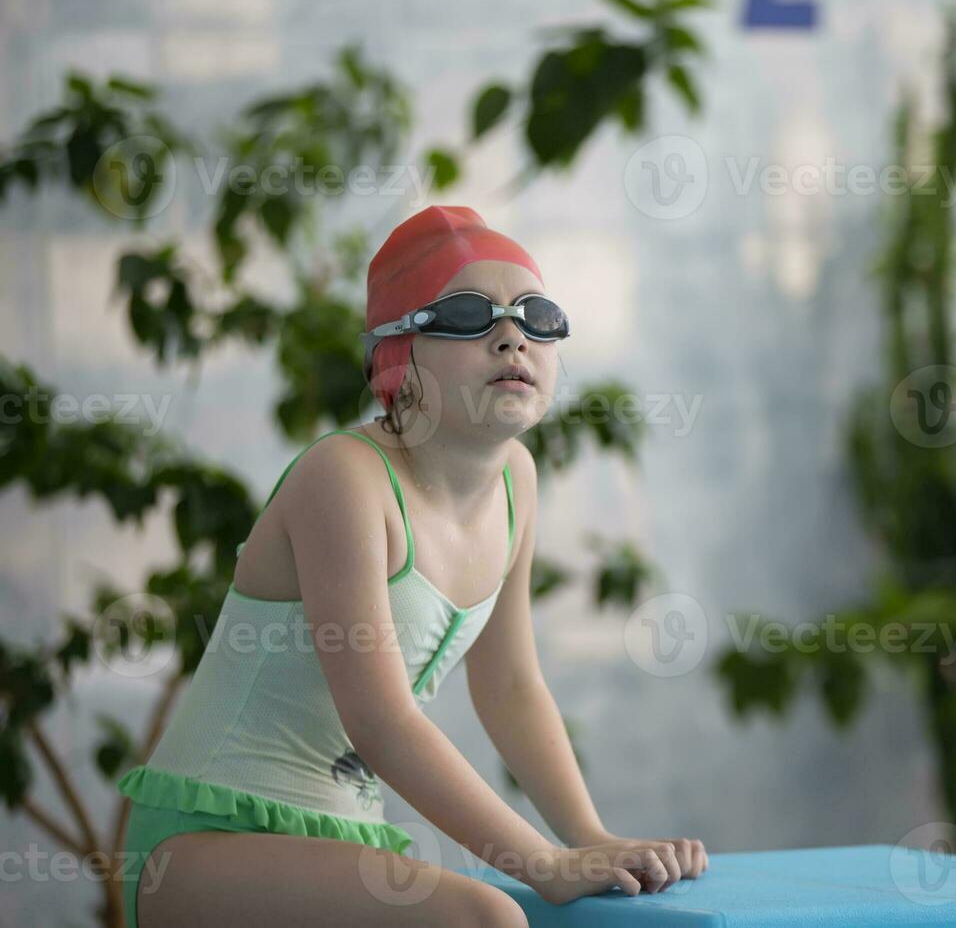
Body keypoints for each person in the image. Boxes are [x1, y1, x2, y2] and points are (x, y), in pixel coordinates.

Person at [114, 205, 708, 927]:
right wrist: (544, 863)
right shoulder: (346, 478)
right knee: (487, 918)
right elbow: (382, 720)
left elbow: (512, 686)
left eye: (537, 316)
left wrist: (590, 838)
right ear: (397, 356)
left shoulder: (515, 480)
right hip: (202, 844)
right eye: (466, 314)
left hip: (340, 841)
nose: (511, 335)